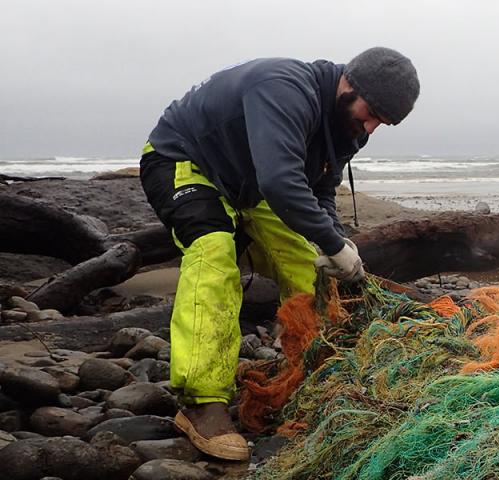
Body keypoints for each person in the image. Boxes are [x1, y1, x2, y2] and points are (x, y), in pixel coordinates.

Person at [138, 47, 419, 460]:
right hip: (185, 160)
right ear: (349, 84)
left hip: (251, 185)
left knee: (309, 268)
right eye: (371, 112)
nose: (371, 127)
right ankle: (202, 403)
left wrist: (335, 243)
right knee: (214, 252)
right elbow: (281, 181)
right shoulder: (284, 87)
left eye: (383, 122)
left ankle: (312, 375)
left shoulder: (348, 124)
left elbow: (320, 190)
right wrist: (335, 243)